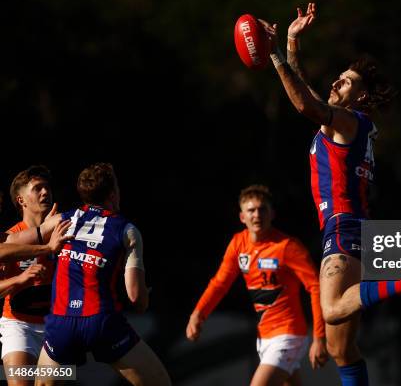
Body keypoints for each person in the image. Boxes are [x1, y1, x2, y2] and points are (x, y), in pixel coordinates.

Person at [259, 3, 401, 385]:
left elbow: (303, 103)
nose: (336, 83)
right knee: (340, 350)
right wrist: (289, 42)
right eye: (338, 77)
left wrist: (272, 54)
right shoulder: (346, 122)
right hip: (351, 227)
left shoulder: (351, 122)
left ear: (362, 97)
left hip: (345, 227)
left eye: (346, 81)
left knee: (332, 310)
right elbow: (309, 95)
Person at [33, 163, 170, 386]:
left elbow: (12, 244)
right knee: (160, 383)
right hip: (103, 323)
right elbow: (136, 298)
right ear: (113, 192)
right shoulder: (127, 230)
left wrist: (46, 246)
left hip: (61, 324)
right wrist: (144, 298)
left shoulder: (63, 220)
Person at [186, 185, 328, 386]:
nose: (257, 215)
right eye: (251, 210)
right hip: (264, 338)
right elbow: (220, 283)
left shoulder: (288, 246)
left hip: (289, 335)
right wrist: (198, 314)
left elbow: (315, 287)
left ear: (272, 214)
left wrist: (319, 337)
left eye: (263, 209)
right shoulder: (238, 244)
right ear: (242, 217)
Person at [0, 165, 57, 386]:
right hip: (19, 326)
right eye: (38, 188)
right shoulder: (10, 237)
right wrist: (21, 279)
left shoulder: (62, 230)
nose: (45, 192)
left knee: (60, 380)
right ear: (21, 200)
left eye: (47, 188)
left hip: (56, 328)